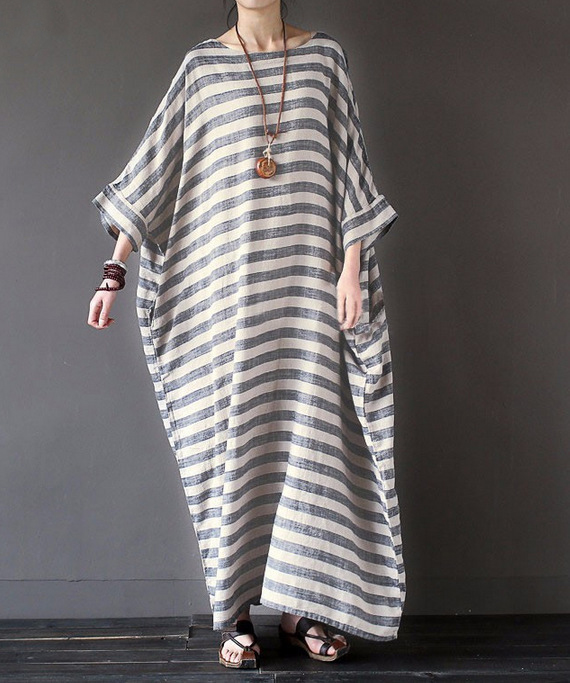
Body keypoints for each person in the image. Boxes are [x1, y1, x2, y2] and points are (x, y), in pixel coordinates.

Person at [88, 0, 406, 670]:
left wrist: (351, 269)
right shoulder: (202, 69)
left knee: (309, 446)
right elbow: (156, 167)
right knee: (232, 447)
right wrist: (113, 271)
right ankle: (233, 608)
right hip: (225, 303)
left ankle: (298, 608)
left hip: (307, 297)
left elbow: (350, 170)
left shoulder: (325, 61)